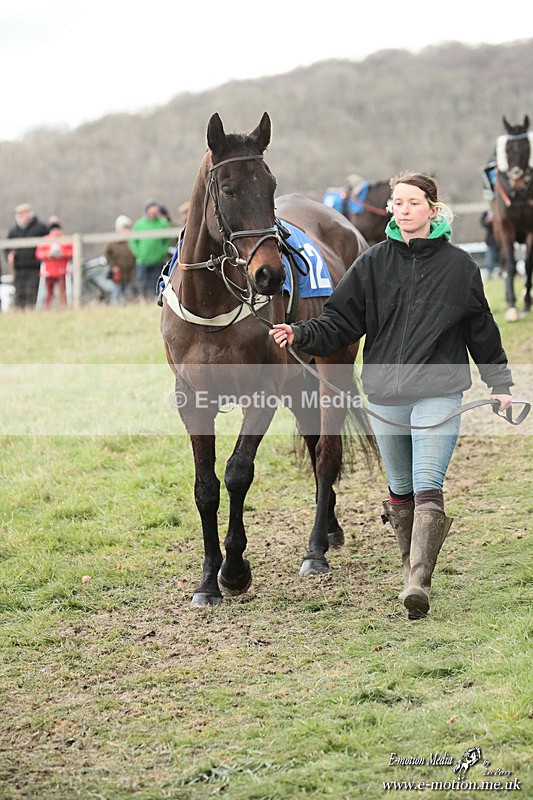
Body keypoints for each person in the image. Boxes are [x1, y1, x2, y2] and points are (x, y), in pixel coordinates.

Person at [270, 171, 513, 621]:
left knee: (426, 485)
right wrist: (299, 331)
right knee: (399, 489)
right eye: (398, 202)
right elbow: (340, 322)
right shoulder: (372, 264)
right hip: (383, 394)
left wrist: (500, 386)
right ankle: (410, 565)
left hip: (438, 392)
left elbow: (481, 330)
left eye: (413, 202)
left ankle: (417, 581)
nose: (403, 210)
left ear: (433, 210)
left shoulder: (460, 268)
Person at [5, 203, 49, 309]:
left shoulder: (40, 228)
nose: (22, 217)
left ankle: (32, 311)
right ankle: (20, 312)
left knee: (32, 292)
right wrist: (9, 256)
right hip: (19, 267)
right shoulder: (14, 231)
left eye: (23, 214)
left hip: (34, 266)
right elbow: (7, 248)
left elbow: (48, 243)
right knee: (20, 292)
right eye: (20, 215)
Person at [129, 200, 172, 299]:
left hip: (158, 260)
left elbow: (167, 240)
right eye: (151, 209)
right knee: (141, 282)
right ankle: (141, 299)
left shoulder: (163, 224)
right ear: (147, 210)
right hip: (142, 260)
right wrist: (138, 253)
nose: (153, 212)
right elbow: (132, 241)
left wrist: (162, 251)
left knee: (156, 282)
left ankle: (154, 299)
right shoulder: (139, 224)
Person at [35, 222, 73, 309]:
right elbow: (38, 254)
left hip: (62, 270)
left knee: (62, 291)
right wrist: (48, 254)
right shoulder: (45, 240)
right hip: (49, 271)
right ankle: (48, 308)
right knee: (49, 292)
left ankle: (64, 307)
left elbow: (72, 252)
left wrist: (61, 254)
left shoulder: (65, 240)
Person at [104, 215, 137, 303]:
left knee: (128, 294)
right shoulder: (113, 242)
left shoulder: (132, 241)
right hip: (118, 273)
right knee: (116, 293)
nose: (126, 230)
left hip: (130, 273)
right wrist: (113, 266)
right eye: (124, 228)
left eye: (127, 228)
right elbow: (107, 255)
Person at [479, 208, 501, 280]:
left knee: (503, 259)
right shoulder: (488, 213)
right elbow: (483, 223)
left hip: (501, 242)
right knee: (490, 260)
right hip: (491, 242)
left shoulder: (500, 211)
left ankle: (501, 273)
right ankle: (489, 274)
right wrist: (489, 221)